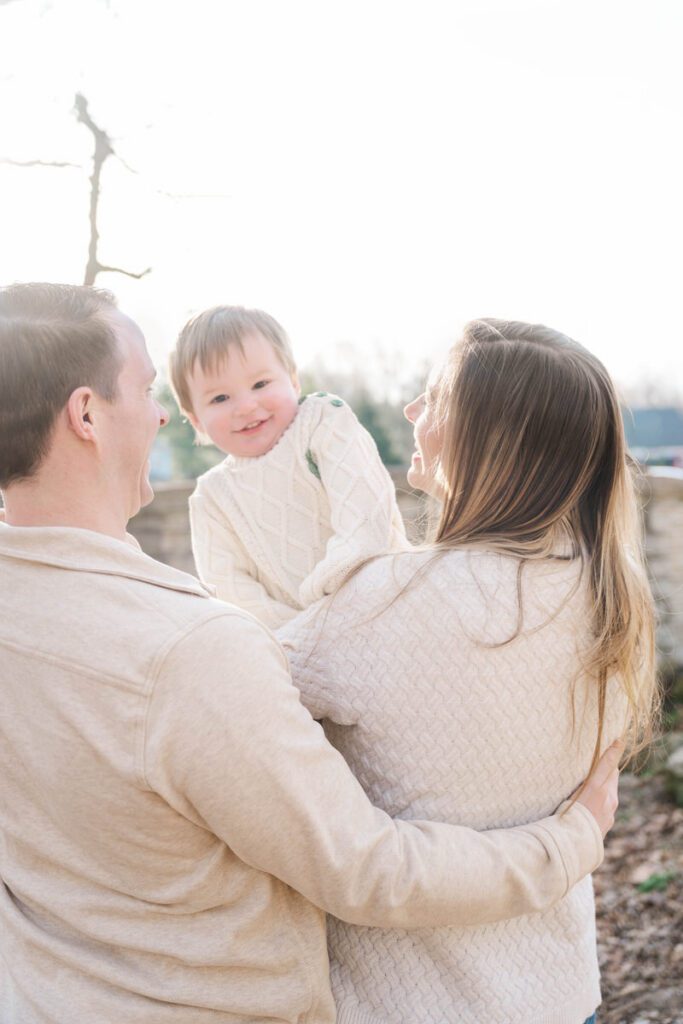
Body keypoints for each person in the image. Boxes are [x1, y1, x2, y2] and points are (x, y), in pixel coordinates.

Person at [0, 286, 621, 1024]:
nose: (164, 413)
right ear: (86, 414)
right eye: (145, 390)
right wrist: (574, 838)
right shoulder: (193, 653)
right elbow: (369, 871)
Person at [281, 319, 658, 1024]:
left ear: (487, 442)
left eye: (431, 399)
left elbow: (226, 699)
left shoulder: (381, 599)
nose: (410, 414)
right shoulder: (612, 596)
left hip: (406, 1002)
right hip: (557, 991)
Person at [169, 305, 409, 629]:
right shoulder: (211, 498)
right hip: (303, 651)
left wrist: (319, 603)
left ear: (293, 380)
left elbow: (365, 524)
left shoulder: (324, 422)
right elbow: (233, 596)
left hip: (392, 607)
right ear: (196, 420)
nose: (246, 406)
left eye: (260, 384)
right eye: (220, 398)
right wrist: (308, 634)